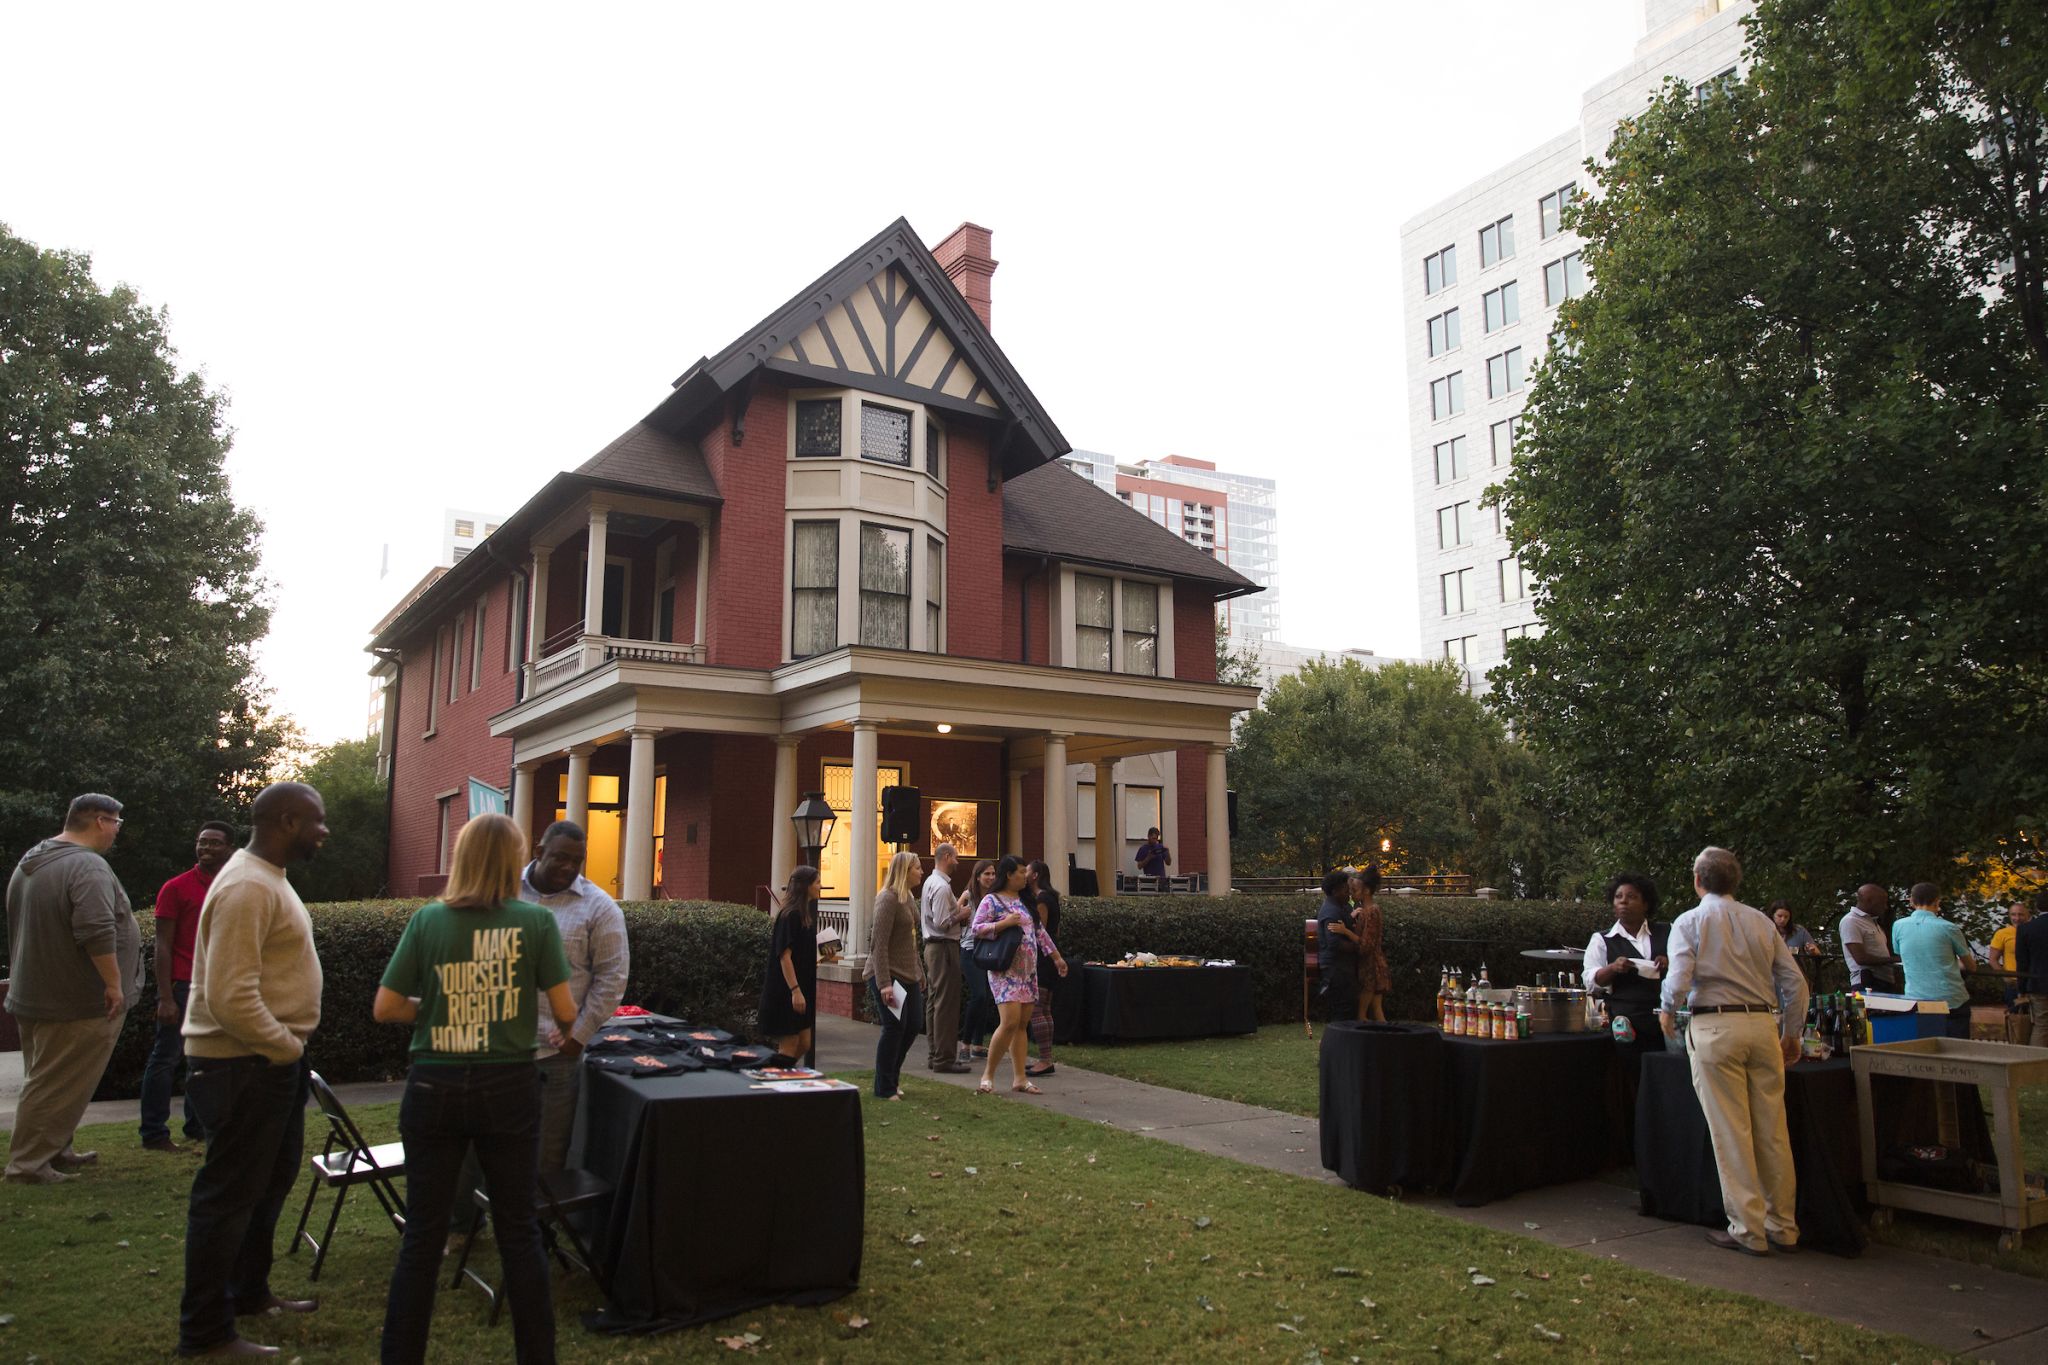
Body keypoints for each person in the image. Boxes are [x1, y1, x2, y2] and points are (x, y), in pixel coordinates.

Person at [373, 812, 572, 1365]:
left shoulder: (428, 921)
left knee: (422, 1235)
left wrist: (436, 1008)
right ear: (513, 861)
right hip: (508, 1084)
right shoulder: (535, 925)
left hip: (433, 1083)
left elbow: (386, 1006)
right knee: (517, 1231)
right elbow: (565, 1010)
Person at [176, 782, 327, 1359]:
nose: (324, 832)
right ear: (287, 822)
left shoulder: (267, 879)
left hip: (268, 1061)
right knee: (228, 1197)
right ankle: (206, 1333)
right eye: (317, 821)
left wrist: (286, 1050)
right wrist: (284, 1046)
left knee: (267, 1183)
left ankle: (249, 1293)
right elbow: (228, 996)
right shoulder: (244, 886)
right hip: (243, 1063)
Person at [1659, 846, 1808, 1257]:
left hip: (1715, 1024)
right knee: (1773, 1131)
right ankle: (1784, 1225)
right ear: (1736, 882)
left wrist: (1668, 1009)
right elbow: (1795, 983)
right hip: (1762, 1024)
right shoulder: (1761, 921)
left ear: (1697, 880)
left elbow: (1678, 977)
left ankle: (1747, 1228)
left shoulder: (1689, 921)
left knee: (1732, 1131)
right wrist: (1792, 1031)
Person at [4, 793, 141, 1186]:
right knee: (54, 1084)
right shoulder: (86, 866)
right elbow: (96, 930)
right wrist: (114, 984)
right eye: (116, 823)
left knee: (50, 1079)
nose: (116, 831)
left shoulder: (35, 859)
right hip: (77, 1000)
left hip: (36, 992)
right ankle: (28, 1166)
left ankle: (55, 1150)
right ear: (100, 821)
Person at [517, 820, 629, 1173]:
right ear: (538, 853)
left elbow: (612, 979)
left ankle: (540, 1224)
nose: (568, 867)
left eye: (577, 861)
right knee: (488, 1144)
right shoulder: (503, 891)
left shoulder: (600, 907)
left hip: (556, 1055)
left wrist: (578, 1035)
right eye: (560, 858)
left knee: (548, 1152)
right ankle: (473, 1220)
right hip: (498, 1049)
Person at [140, 821, 234, 1153]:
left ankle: (197, 1127)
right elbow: (162, 946)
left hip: (218, 985)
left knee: (206, 1059)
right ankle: (153, 1133)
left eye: (214, 844)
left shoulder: (231, 886)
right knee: (166, 1058)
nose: (206, 848)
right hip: (182, 985)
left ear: (229, 849)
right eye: (201, 843)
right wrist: (165, 996)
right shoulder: (176, 888)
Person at [971, 855, 1066, 1095]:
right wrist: (1003, 924)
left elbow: (1040, 932)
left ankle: (1020, 1078)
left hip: (1028, 971)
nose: (1026, 876)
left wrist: (1056, 958)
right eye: (1021, 872)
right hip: (1005, 971)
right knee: (1010, 1021)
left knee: (1022, 1024)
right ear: (1008, 875)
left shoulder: (1027, 901)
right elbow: (976, 928)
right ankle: (988, 1075)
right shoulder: (991, 901)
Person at [1585, 872, 1670, 1077]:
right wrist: (1613, 968)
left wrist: (1670, 963)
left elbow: (1688, 969)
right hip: (1626, 1025)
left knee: (1665, 1077)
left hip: (1665, 1023)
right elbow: (1591, 982)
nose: (1623, 901)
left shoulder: (1668, 931)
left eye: (1631, 897)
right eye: (1618, 896)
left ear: (1646, 904)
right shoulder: (1602, 939)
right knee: (1632, 1079)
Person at [865, 850, 925, 1100]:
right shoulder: (887, 899)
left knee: (912, 1026)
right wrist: (884, 984)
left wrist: (919, 972)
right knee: (894, 1027)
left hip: (909, 975)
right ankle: (884, 1087)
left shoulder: (908, 897)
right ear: (904, 871)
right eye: (917, 868)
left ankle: (892, 1077)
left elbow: (910, 942)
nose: (922, 871)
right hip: (888, 975)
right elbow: (879, 944)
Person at [1892, 882, 1974, 1040]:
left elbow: (1901, 954)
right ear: (1937, 901)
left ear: (1911, 901)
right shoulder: (1949, 928)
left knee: (1924, 1047)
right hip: (1951, 999)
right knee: (1957, 1051)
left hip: (1916, 998)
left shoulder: (1898, 926)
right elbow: (1970, 966)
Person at [759, 866, 820, 1063]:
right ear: (805, 886)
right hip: (787, 990)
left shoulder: (805, 915)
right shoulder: (790, 915)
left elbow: (802, 953)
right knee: (790, 1043)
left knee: (805, 1042)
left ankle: (782, 1074)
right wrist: (795, 991)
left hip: (803, 984)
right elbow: (784, 956)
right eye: (817, 882)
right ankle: (776, 1082)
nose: (821, 886)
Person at [919, 843, 970, 1073]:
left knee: (935, 1000)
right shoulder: (941, 887)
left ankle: (935, 1054)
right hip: (943, 948)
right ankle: (944, 1058)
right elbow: (941, 922)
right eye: (956, 858)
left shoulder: (931, 883)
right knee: (946, 1003)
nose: (957, 862)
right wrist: (962, 913)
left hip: (934, 947)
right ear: (947, 857)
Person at [955, 859, 999, 1063]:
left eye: (993, 873)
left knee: (985, 997)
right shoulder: (968, 896)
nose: (990, 877)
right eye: (986, 874)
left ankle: (978, 1044)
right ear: (977, 876)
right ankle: (965, 1043)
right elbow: (952, 917)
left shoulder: (996, 897)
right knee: (979, 995)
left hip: (988, 952)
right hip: (969, 950)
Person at [1026, 859, 1062, 1076]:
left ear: (1035, 875)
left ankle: (1045, 1058)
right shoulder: (1051, 897)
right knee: (1045, 1008)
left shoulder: (1042, 899)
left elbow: (1040, 930)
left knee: (1037, 1008)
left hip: (1042, 958)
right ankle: (1046, 1057)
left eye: (1027, 871)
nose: (1024, 874)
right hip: (1050, 956)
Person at [1314, 869, 1359, 1023]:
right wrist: (1357, 946)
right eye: (1346, 891)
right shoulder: (1331, 912)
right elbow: (1334, 943)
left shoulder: (1340, 908)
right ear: (1335, 891)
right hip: (1336, 969)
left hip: (1342, 968)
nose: (1349, 894)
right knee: (1342, 1009)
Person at [1839, 883, 1899, 992]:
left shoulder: (1872, 922)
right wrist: (1894, 960)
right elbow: (1860, 958)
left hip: (1884, 981)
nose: (1885, 907)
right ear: (1869, 901)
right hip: (1868, 982)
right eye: (1882, 903)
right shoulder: (1851, 921)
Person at [1349, 865, 1390, 1022]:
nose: (1352, 894)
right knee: (1376, 1010)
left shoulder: (1372, 911)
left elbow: (1367, 944)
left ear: (1366, 891)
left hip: (1372, 967)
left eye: (1355, 890)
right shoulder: (1363, 911)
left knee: (1363, 1014)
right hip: (1369, 965)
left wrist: (1346, 932)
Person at [2015, 888, 2048, 1047]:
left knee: (2041, 1025)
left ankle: (2035, 1066)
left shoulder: (2026, 929)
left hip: (2037, 983)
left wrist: (2021, 987)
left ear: (2037, 907)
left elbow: (2022, 962)